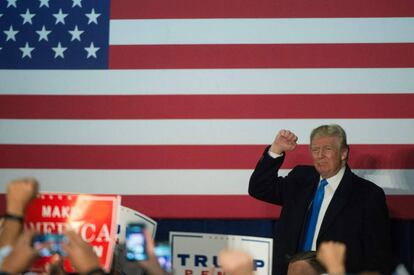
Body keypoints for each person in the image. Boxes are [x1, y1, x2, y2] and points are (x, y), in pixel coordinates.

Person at [248, 124, 392, 275]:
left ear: (343, 153)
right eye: (315, 150)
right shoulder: (300, 178)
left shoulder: (367, 194)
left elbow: (377, 255)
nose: (320, 155)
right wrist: (276, 149)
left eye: (327, 149)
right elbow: (259, 188)